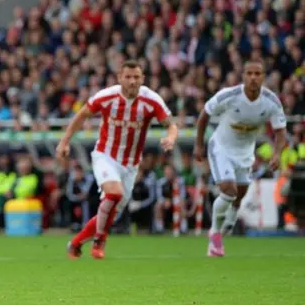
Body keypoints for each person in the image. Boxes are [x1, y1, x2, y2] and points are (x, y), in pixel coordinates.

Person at [57, 60, 178, 260]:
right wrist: (65, 141)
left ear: (143, 79)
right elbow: (82, 115)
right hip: (105, 155)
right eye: (128, 77)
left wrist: (171, 138)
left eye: (136, 77)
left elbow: (171, 125)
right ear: (119, 78)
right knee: (113, 194)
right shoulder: (107, 96)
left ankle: (76, 243)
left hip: (131, 165)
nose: (132, 81)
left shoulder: (151, 100)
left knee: (112, 212)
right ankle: (99, 242)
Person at [194, 60, 287, 257]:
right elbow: (204, 115)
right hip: (221, 148)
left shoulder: (271, 101)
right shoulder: (229, 96)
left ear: (263, 77)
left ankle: (231, 218)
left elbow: (280, 131)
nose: (253, 78)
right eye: (249, 73)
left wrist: (277, 153)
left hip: (245, 153)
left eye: (258, 74)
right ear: (243, 76)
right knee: (229, 190)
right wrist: (198, 144)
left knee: (240, 195)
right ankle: (215, 235)